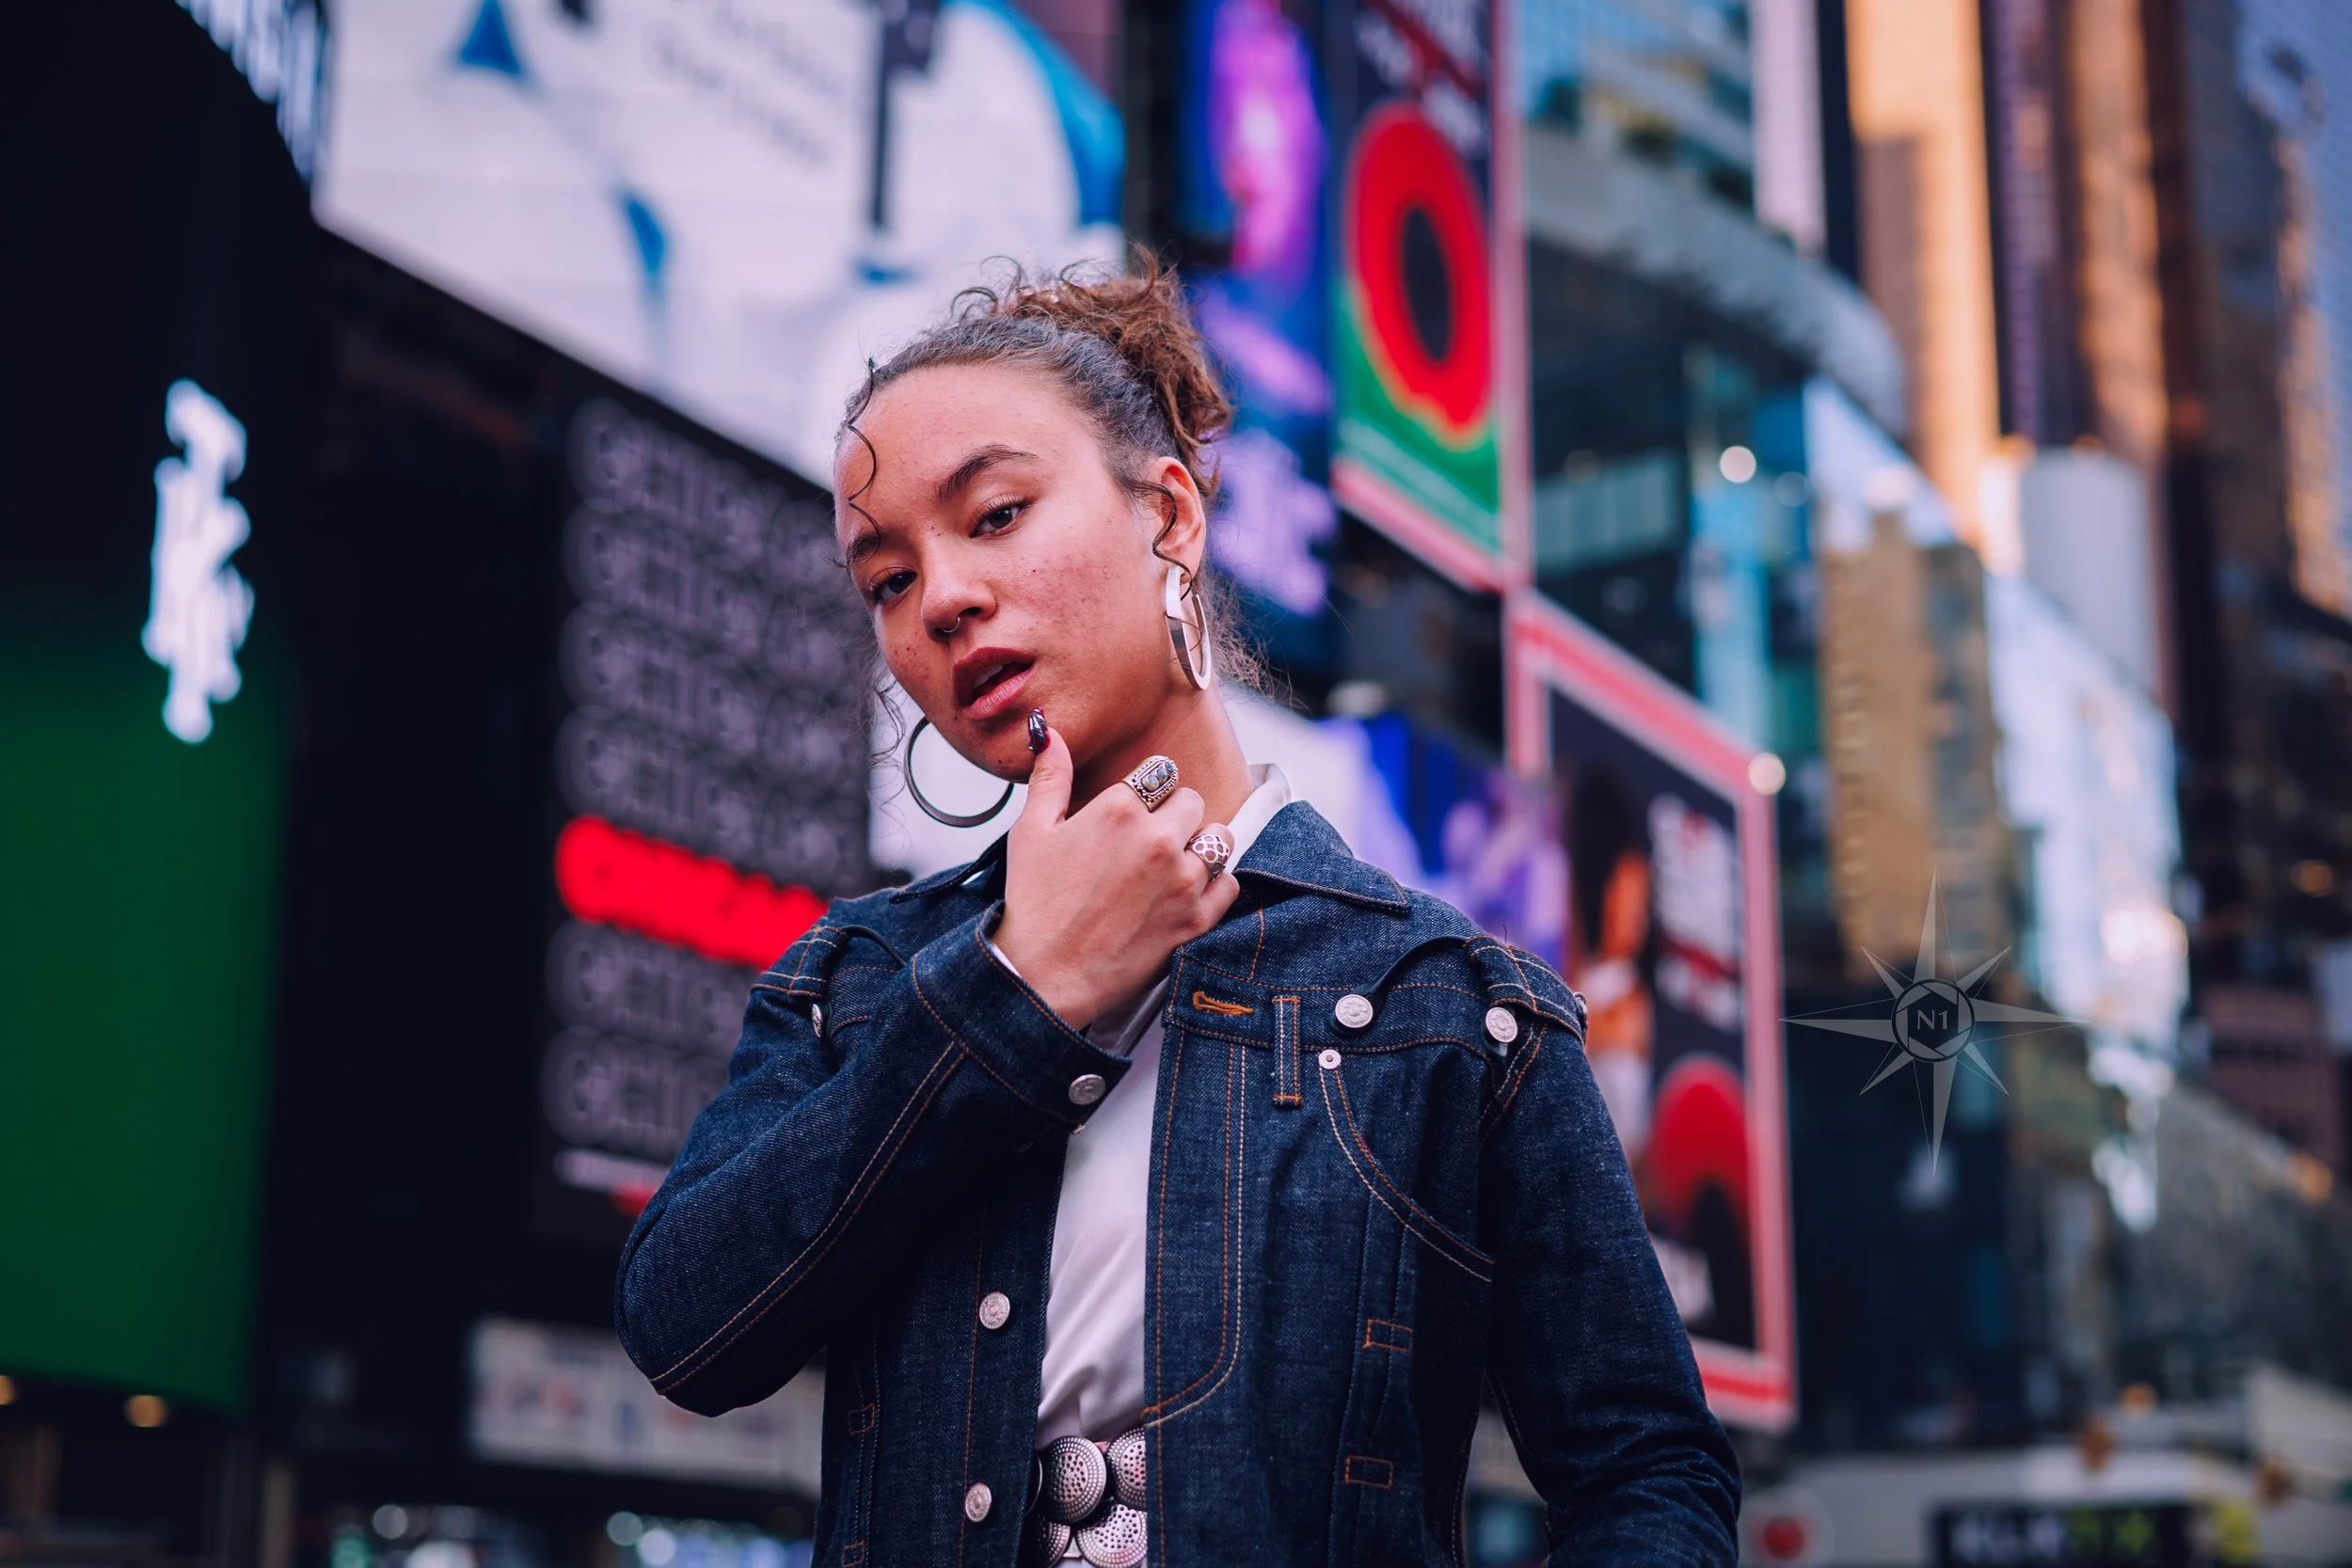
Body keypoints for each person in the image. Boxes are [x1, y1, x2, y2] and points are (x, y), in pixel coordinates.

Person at [614, 261, 1739, 1566]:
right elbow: (685, 1328)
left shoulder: (1452, 1009)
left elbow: (1649, 1472)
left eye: (995, 513)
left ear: (1172, 517)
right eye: (885, 578)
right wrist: (1011, 994)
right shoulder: (856, 982)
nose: (941, 598)